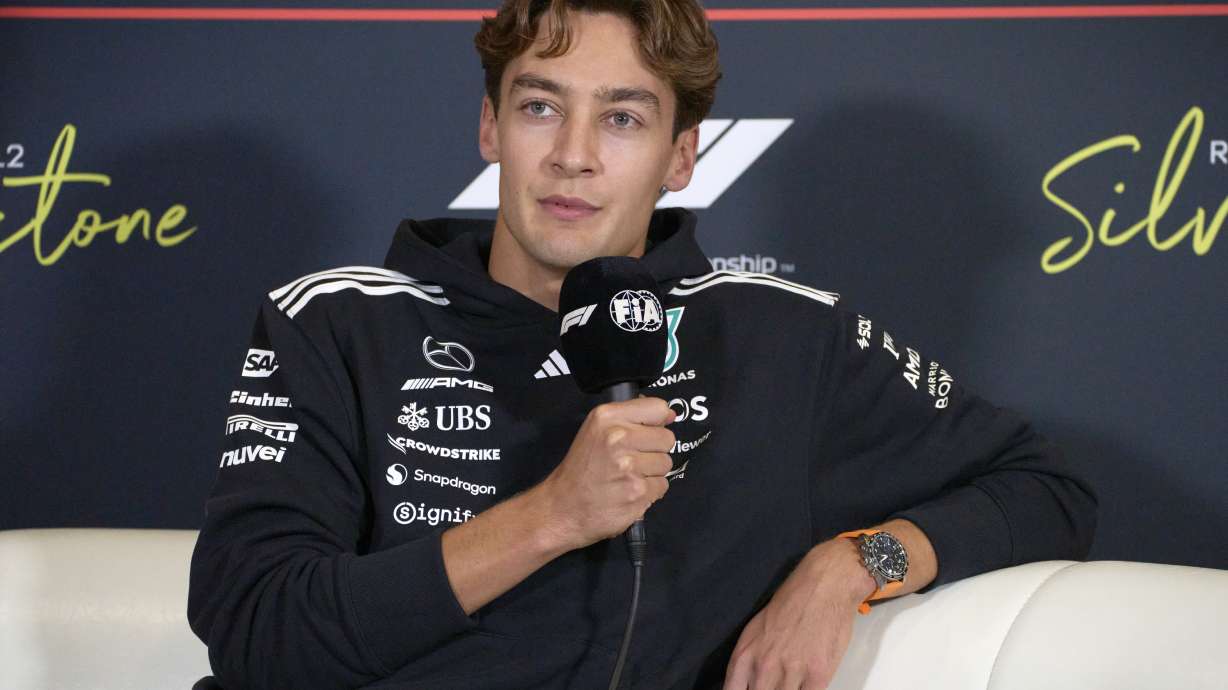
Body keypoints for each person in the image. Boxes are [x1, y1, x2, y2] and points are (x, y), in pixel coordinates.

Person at [188, 1, 1099, 688]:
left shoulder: (781, 333)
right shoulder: (334, 321)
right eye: (541, 106)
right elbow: (258, 629)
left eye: (622, 118)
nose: (573, 155)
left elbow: (1043, 490)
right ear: (489, 127)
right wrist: (552, 516)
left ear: (680, 156)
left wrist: (852, 565)